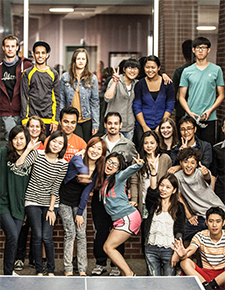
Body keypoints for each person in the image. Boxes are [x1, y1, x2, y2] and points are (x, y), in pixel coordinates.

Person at [14, 131, 68, 276]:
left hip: (51, 204)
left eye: (60, 143)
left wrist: (51, 209)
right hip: (32, 200)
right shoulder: (37, 155)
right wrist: (28, 149)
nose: (56, 145)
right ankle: (39, 270)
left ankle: (50, 270)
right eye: (54, 141)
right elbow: (18, 167)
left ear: (63, 147)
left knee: (47, 237)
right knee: (37, 236)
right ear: (49, 141)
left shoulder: (63, 164)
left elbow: (56, 187)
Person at [91, 112, 137, 276]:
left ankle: (117, 266)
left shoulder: (128, 145)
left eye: (115, 123)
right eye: (109, 123)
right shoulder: (99, 143)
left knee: (118, 229)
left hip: (118, 196)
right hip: (100, 194)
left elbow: (133, 173)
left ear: (120, 125)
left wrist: (134, 197)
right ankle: (100, 263)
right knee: (101, 230)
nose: (112, 126)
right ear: (105, 124)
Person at [59, 137, 106, 276]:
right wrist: (85, 168)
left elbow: (86, 192)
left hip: (79, 202)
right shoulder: (77, 158)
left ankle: (82, 269)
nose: (95, 151)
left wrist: (80, 212)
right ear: (88, 147)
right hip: (64, 201)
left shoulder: (98, 169)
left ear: (102, 153)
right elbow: (80, 167)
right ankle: (68, 269)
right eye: (93, 147)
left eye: (99, 149)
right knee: (70, 233)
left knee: (81, 235)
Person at [102, 152, 144, 276]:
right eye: (109, 161)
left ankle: (130, 275)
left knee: (108, 247)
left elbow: (127, 172)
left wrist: (137, 165)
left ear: (118, 169)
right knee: (109, 248)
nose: (111, 165)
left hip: (128, 217)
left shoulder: (118, 177)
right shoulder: (106, 179)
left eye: (115, 164)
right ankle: (126, 275)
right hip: (120, 219)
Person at [14, 115, 46, 271]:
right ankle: (19, 258)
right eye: (31, 126)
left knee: (36, 229)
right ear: (27, 128)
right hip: (22, 191)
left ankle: (34, 258)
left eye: (37, 127)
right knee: (22, 227)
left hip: (38, 194)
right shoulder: (21, 144)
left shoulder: (45, 146)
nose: (34, 129)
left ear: (41, 129)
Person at [130, 131, 172, 251]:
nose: (149, 146)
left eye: (152, 143)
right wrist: (134, 199)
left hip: (162, 201)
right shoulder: (138, 160)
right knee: (147, 232)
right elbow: (134, 182)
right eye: (146, 143)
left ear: (157, 144)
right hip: (144, 201)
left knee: (162, 230)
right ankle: (149, 262)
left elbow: (170, 180)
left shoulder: (165, 158)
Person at [179, 37, 224, 145]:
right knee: (190, 150)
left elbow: (221, 95)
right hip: (191, 118)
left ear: (208, 50)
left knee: (209, 149)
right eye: (198, 48)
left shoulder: (216, 70)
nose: (200, 50)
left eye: (203, 48)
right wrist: (189, 112)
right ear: (193, 50)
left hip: (209, 117)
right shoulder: (187, 71)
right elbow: (181, 96)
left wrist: (210, 110)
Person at [144, 157, 185, 276]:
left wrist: (177, 252)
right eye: (161, 185)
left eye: (168, 187)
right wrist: (153, 171)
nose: (163, 189)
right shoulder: (153, 204)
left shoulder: (179, 208)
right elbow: (152, 192)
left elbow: (179, 231)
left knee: (169, 284)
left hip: (170, 250)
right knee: (153, 283)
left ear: (174, 190)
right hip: (151, 248)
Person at [174, 147, 225, 242]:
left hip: (218, 213)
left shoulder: (200, 173)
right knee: (180, 235)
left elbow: (207, 177)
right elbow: (178, 196)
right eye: (185, 162)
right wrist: (189, 216)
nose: (189, 165)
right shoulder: (177, 176)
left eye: (192, 163)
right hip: (200, 217)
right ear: (180, 163)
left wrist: (206, 174)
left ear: (197, 164)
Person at [0, 125, 31, 275]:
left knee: (14, 239)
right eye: (15, 138)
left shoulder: (31, 159)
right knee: (12, 235)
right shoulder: (3, 153)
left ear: (26, 140)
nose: (18, 141)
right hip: (3, 203)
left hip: (19, 205)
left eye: (21, 138)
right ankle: (7, 273)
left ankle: (9, 271)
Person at [172, 206, 225, 290]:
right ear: (206, 222)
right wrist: (182, 255)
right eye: (211, 221)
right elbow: (190, 250)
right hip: (204, 275)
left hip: (222, 277)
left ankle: (210, 287)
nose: (214, 225)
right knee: (184, 262)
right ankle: (205, 286)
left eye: (218, 221)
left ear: (223, 223)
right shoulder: (200, 235)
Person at [133, 55, 175, 148]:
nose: (150, 70)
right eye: (147, 67)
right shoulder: (139, 84)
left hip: (162, 125)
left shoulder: (167, 83)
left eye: (153, 67)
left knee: (161, 149)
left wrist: (161, 125)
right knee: (143, 150)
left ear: (159, 68)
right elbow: (137, 106)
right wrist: (144, 126)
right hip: (142, 125)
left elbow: (170, 104)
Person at [20, 40, 60, 137]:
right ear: (33, 55)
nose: (40, 55)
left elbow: (57, 99)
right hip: (32, 120)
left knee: (46, 148)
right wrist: (25, 119)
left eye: (43, 53)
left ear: (47, 55)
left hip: (49, 120)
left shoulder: (53, 74)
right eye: (37, 53)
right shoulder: (27, 73)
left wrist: (55, 120)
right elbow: (24, 97)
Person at [60, 48, 99, 142]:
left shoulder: (92, 78)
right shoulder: (65, 77)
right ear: (74, 60)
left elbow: (95, 102)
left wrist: (95, 124)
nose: (81, 61)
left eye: (83, 59)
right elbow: (62, 100)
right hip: (71, 120)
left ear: (86, 61)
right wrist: (60, 120)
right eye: (78, 59)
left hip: (87, 119)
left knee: (86, 146)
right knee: (74, 145)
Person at [0, 35, 32, 141]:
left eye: (13, 46)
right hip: (5, 112)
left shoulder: (26, 65)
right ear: (3, 47)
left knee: (24, 141)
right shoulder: (0, 68)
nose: (10, 49)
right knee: (12, 140)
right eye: (7, 46)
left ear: (17, 47)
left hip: (24, 112)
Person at [104, 59, 140, 140]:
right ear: (124, 69)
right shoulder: (115, 80)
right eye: (130, 68)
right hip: (113, 125)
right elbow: (107, 98)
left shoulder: (137, 84)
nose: (132, 71)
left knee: (126, 151)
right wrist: (114, 83)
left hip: (129, 127)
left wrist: (163, 75)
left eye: (135, 68)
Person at [172, 39, 194, 126]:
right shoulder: (179, 71)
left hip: (182, 108)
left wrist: (176, 105)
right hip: (196, 108)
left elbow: (173, 93)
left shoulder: (179, 71)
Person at [211, 117, 225, 204]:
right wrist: (211, 194)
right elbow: (214, 173)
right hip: (221, 190)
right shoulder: (216, 148)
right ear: (223, 129)